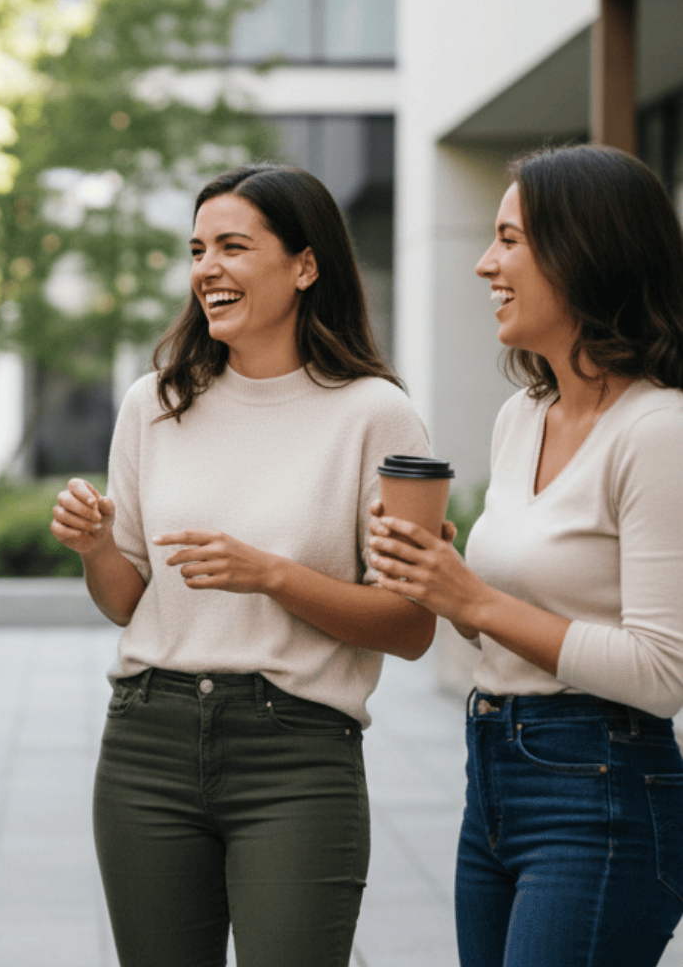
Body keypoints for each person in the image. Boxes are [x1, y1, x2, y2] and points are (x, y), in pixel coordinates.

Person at [50, 164, 436, 967]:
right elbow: (126, 602)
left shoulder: (377, 414)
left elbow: (410, 626)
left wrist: (272, 576)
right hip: (147, 740)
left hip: (298, 750)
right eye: (197, 250)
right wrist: (96, 546)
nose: (207, 269)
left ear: (305, 265)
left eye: (233, 246)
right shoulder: (154, 403)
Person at [367, 143, 683, 967]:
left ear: (586, 253)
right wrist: (442, 583)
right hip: (494, 774)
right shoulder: (522, 417)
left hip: (603, 790)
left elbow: (662, 672)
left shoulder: (659, 431)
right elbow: (504, 627)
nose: (485, 263)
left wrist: (474, 599)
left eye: (509, 240)